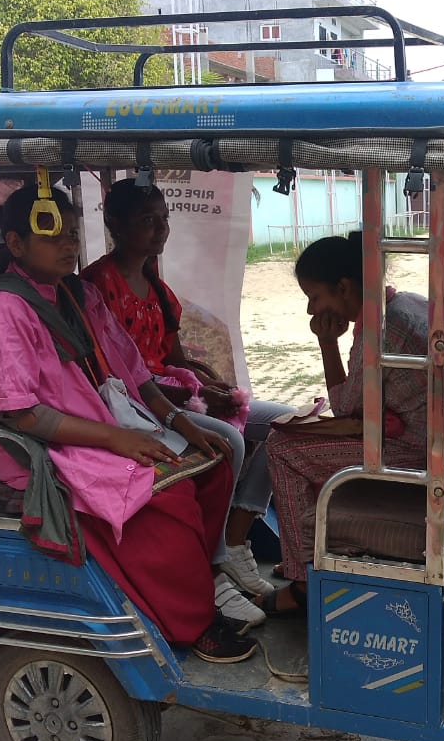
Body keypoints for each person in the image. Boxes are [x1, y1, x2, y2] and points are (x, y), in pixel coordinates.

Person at [0, 183, 256, 663]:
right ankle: (193, 621)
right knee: (171, 496)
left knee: (214, 462)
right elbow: (21, 413)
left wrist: (182, 423)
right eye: (52, 234)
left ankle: (202, 580)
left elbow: (134, 372)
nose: (68, 244)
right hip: (44, 447)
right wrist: (117, 439)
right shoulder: (2, 311)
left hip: (102, 427)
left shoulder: (78, 293)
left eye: (72, 233)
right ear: (15, 243)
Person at [82, 178, 292, 628]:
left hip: (172, 393)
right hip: (135, 407)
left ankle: (236, 539)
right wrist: (187, 394)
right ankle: (213, 566)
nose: (161, 229)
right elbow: (116, 375)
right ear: (115, 224)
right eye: (147, 220)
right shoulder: (98, 287)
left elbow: (173, 359)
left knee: (284, 424)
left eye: (164, 219)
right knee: (231, 443)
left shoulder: (157, 287)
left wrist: (207, 381)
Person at [263, 231, 429, 615]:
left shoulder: (378, 329)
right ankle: (307, 553)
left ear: (343, 287)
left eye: (314, 297)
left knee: (281, 449)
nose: (311, 311)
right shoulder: (406, 304)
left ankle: (302, 582)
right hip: (430, 438)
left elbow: (344, 407)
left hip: (413, 450)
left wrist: (327, 343)